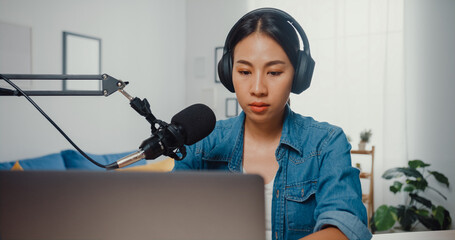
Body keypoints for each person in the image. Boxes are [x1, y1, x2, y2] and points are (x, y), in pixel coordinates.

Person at [174, 8, 372, 240]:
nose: (258, 89)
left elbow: (345, 228)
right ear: (229, 73)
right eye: (245, 71)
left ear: (299, 75)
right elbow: (170, 218)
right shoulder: (200, 143)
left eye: (274, 72)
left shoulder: (327, 143)